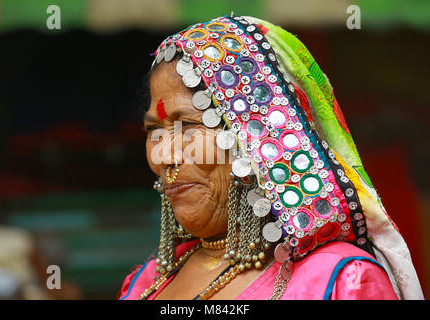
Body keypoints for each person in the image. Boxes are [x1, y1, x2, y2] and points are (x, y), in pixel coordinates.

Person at [118, 15, 423, 300]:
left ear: (256, 136)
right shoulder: (145, 283)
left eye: (189, 126)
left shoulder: (343, 281)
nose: (163, 155)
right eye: (154, 130)